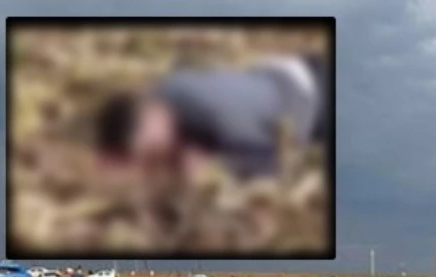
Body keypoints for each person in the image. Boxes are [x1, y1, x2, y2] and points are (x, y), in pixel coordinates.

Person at [93, 52, 329, 184]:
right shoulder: (166, 91)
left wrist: (218, 168)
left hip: (316, 98)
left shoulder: (217, 114)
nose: (157, 155)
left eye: (151, 149)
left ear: (148, 118)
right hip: (285, 74)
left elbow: (275, 159)